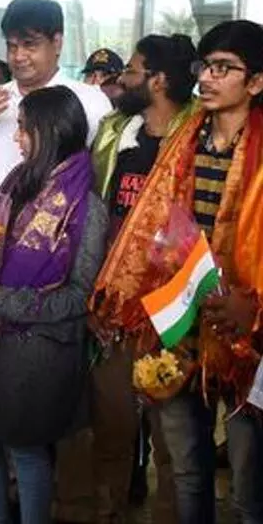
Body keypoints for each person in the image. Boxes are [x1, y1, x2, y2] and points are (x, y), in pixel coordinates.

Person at [92, 20, 263, 524]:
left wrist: (253, 308)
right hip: (179, 323)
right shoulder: (183, 141)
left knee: (249, 488)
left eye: (223, 68)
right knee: (189, 470)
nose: (207, 78)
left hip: (247, 337)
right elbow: (148, 230)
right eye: (203, 67)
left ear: (255, 83)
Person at [0, 85, 108, 524]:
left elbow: (79, 295)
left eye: (24, 128)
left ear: (50, 131)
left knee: (24, 449)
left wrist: (0, 299)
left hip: (36, 348)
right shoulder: (17, 185)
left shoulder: (85, 210)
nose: (16, 137)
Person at [86, 34, 199, 524]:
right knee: (111, 425)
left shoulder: (197, 136)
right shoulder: (115, 131)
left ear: (156, 80)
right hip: (114, 301)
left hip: (171, 308)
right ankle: (108, 511)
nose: (122, 80)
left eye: (131, 71)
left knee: (172, 438)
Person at [0, 0, 112, 211]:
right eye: (12, 46)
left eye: (29, 45)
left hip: (62, 238)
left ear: (57, 43)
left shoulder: (91, 102)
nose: (18, 56)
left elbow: (101, 181)